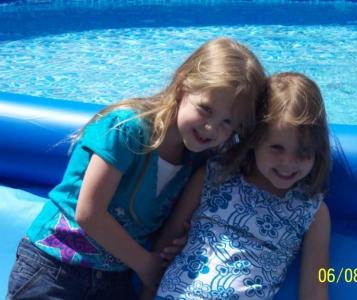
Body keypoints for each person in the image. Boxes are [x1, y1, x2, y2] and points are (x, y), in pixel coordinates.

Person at [6, 37, 266, 300]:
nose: (211, 128)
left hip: (113, 278)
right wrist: (146, 264)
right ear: (181, 86)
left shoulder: (196, 160)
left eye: (227, 122)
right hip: (55, 266)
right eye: (205, 109)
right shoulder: (127, 129)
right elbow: (88, 213)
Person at [152, 72, 331, 300]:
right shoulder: (214, 176)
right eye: (276, 147)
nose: (288, 163)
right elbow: (166, 242)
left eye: (303, 152)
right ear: (254, 139)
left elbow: (314, 289)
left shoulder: (312, 211)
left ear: (318, 151)